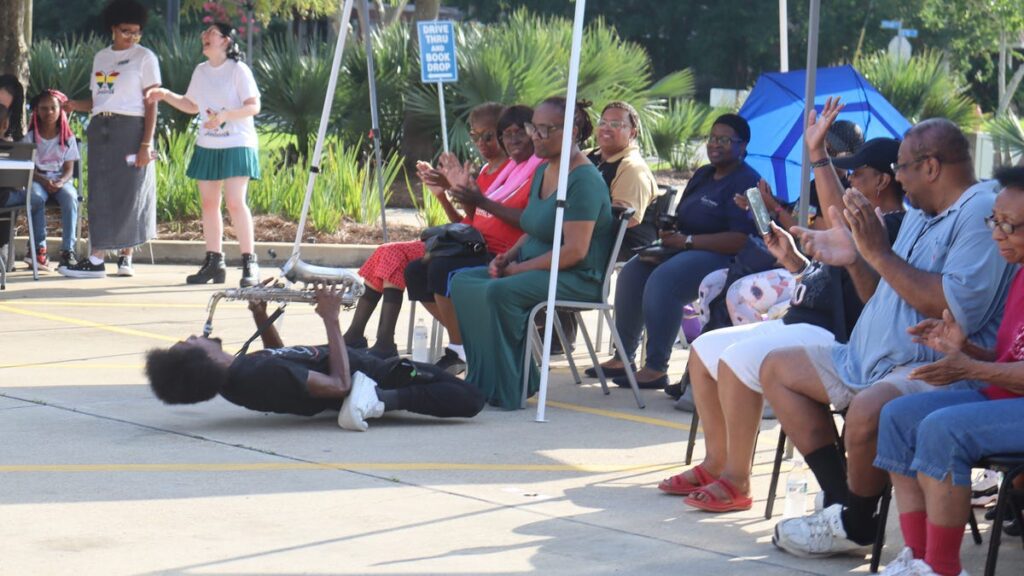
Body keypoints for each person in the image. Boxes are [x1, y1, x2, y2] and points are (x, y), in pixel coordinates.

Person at [763, 114, 1015, 558]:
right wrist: (858, 258)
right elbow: (882, 287)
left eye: (901, 167)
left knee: (871, 411)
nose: (896, 178)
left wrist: (876, 251)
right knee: (778, 368)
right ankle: (846, 506)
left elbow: (950, 307)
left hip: (926, 365)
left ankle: (858, 523)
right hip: (868, 356)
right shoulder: (923, 211)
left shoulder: (980, 213)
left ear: (931, 168)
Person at [658, 135, 907, 513]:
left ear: (883, 180)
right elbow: (824, 277)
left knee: (738, 359)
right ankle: (716, 462)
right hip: (802, 316)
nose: (851, 181)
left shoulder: (888, 225)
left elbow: (860, 291)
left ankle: (737, 479)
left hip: (834, 330)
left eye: (858, 174)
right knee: (703, 348)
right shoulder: (864, 220)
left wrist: (817, 156)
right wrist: (792, 260)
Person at [871, 166, 1024, 576]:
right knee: (898, 417)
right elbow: (1011, 357)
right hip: (1006, 401)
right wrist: (963, 348)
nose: (997, 234)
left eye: (1009, 226)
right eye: (995, 221)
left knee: (944, 429)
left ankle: (941, 568)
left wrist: (968, 367)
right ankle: (918, 557)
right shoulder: (1021, 271)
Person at [450, 97, 613, 409]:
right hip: (534, 266)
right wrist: (507, 258)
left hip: (575, 276)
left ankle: (510, 386)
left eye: (545, 129)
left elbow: (574, 251)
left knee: (500, 292)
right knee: (463, 283)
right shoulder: (543, 170)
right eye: (533, 128)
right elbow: (531, 228)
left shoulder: (584, 180)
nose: (535, 136)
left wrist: (518, 271)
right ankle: (484, 380)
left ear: (573, 132)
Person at [145, 284, 485, 431]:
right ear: (200, 362)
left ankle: (377, 399)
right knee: (471, 398)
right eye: (188, 343)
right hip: (379, 377)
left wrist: (261, 316)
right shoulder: (254, 375)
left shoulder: (241, 375)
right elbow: (339, 385)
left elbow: (282, 360)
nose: (193, 336)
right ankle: (378, 402)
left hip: (371, 367)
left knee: (472, 388)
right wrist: (331, 319)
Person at [595, 114, 761, 390]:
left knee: (665, 279)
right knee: (633, 272)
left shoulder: (747, 181)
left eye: (724, 140)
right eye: (712, 138)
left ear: (742, 146)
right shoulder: (703, 174)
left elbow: (741, 239)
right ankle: (623, 355)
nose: (715, 144)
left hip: (724, 256)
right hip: (683, 245)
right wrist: (671, 231)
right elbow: (685, 216)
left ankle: (657, 367)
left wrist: (688, 241)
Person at [343, 102, 509, 359]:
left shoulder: (509, 172)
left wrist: (457, 190)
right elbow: (469, 222)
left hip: (473, 248)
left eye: (489, 135)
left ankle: (381, 340)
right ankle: (359, 336)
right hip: (461, 241)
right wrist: (442, 195)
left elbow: (483, 220)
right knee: (390, 254)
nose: (481, 143)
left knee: (393, 255)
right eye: (475, 136)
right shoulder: (487, 170)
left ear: (503, 133)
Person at [404, 105, 543, 374]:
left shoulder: (538, 171)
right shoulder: (506, 172)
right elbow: (473, 220)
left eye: (520, 133)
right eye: (506, 134)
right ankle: (469, 344)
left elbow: (530, 221)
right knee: (415, 271)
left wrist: (477, 198)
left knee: (443, 267)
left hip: (508, 254)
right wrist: (450, 194)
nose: (512, 139)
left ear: (535, 134)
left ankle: (460, 349)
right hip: (479, 245)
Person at [147, 22, 262, 287]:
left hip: (237, 143)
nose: (205, 37)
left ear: (226, 41)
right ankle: (214, 263)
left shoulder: (238, 70)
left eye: (211, 33)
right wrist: (164, 95)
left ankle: (249, 262)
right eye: (204, 33)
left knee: (235, 202)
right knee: (209, 204)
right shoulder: (201, 71)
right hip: (208, 144)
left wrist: (225, 116)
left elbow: (253, 106)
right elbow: (191, 104)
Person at [59, 0, 160, 279]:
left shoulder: (145, 58)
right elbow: (98, 99)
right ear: (113, 28)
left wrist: (146, 143)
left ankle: (115, 258)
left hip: (132, 128)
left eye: (136, 32)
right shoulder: (101, 58)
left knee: (130, 191)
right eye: (126, 31)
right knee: (101, 192)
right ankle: (97, 258)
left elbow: (152, 104)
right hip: (101, 127)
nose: (131, 37)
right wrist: (72, 105)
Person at [585, 101, 659, 260]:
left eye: (615, 124)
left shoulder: (633, 168)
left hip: (623, 244)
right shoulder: (586, 156)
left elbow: (623, 220)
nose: (606, 127)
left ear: (632, 133)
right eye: (603, 122)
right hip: (588, 234)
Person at [23, 89, 81, 269]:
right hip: (38, 180)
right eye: (43, 108)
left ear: (60, 110)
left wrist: (61, 181)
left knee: (71, 198)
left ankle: (67, 251)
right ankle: (38, 249)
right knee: (35, 198)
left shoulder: (67, 138)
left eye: (53, 108)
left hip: (60, 180)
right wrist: (43, 181)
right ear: (37, 111)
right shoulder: (31, 137)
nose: (48, 112)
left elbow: (69, 169)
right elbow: (28, 168)